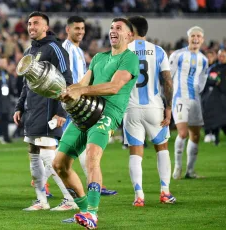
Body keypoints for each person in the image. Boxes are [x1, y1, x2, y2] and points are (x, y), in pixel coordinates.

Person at [53, 18, 139, 229]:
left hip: (108, 113)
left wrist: (81, 91)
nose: (113, 31)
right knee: (59, 165)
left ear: (129, 36)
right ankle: (83, 210)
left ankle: (92, 213)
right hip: (85, 112)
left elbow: (114, 87)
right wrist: (68, 91)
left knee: (92, 156)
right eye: (111, 28)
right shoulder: (99, 57)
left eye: (118, 28)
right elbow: (82, 83)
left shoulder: (130, 58)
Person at [13, 12, 77, 211]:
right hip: (32, 110)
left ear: (45, 27)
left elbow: (67, 80)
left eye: (36, 24)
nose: (31, 27)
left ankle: (70, 199)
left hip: (49, 109)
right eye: (30, 24)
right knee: (33, 155)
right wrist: (19, 106)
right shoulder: (29, 51)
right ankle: (41, 200)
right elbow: (26, 84)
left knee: (49, 157)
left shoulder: (55, 48)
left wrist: (61, 112)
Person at [123, 15, 176, 207]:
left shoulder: (123, 50)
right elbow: (167, 81)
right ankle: (165, 192)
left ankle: (139, 196)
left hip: (131, 109)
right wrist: (168, 109)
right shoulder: (159, 50)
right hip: (155, 108)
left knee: (135, 153)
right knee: (162, 148)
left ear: (131, 30)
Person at [62, 16, 117, 197]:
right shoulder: (65, 50)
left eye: (82, 29)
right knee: (62, 152)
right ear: (67, 29)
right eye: (76, 28)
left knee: (85, 148)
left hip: (82, 102)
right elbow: (65, 79)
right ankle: (49, 187)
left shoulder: (78, 50)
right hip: (71, 103)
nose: (80, 32)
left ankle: (94, 185)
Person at [169, 26, 209, 179]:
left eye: (199, 36)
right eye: (193, 35)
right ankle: (177, 168)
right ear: (188, 38)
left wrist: (198, 93)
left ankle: (190, 171)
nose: (196, 38)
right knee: (182, 133)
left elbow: (202, 80)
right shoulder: (178, 55)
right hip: (179, 97)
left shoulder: (204, 60)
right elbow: (168, 76)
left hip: (195, 100)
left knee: (196, 136)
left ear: (202, 39)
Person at [202, 49, 226, 146]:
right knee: (217, 119)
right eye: (220, 56)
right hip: (218, 97)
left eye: (224, 56)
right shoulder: (214, 68)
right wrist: (215, 81)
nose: (222, 58)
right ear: (218, 57)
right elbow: (209, 81)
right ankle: (216, 140)